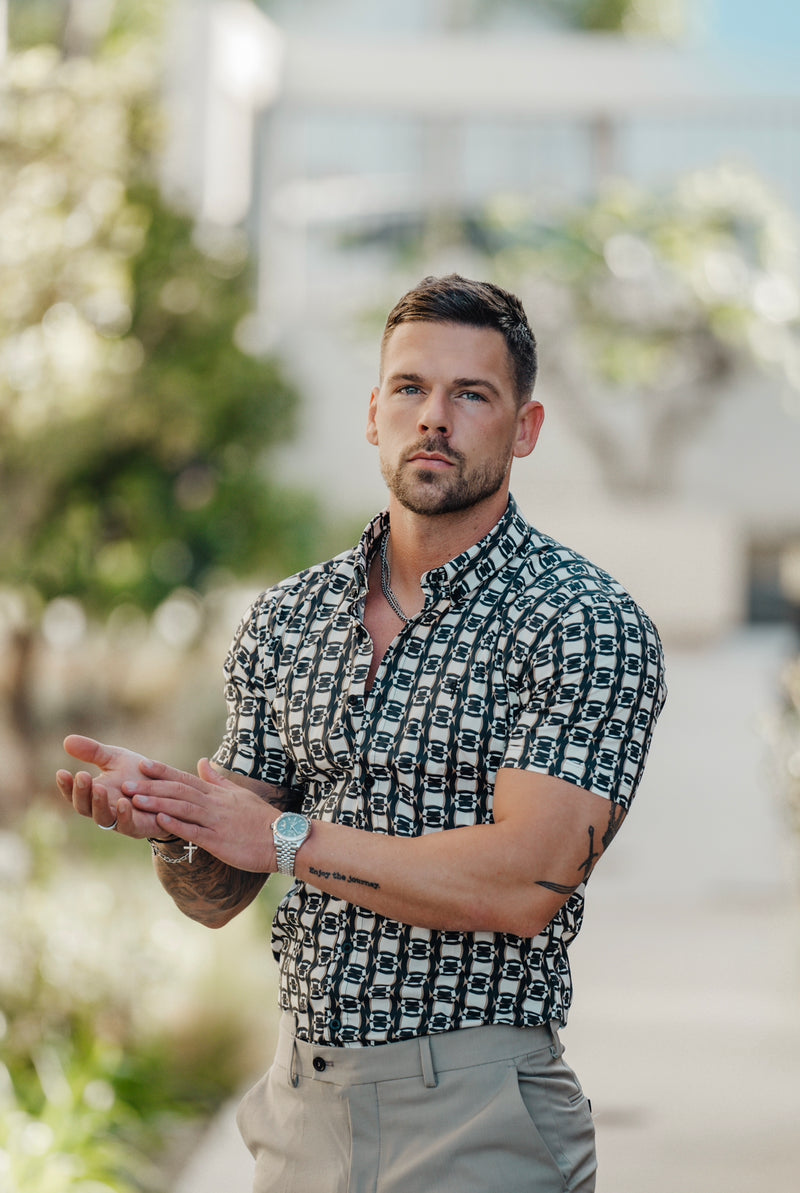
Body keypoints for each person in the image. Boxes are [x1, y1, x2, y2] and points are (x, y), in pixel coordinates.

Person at [58, 274, 666, 1193]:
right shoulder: (289, 618)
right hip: (301, 1108)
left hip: (478, 1110)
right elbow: (223, 887)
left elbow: (524, 882)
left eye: (472, 395)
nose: (436, 418)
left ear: (525, 429)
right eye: (411, 389)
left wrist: (284, 839)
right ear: (374, 410)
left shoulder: (581, 622)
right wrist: (177, 823)